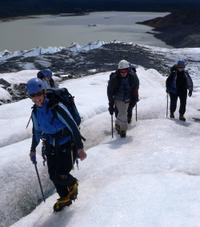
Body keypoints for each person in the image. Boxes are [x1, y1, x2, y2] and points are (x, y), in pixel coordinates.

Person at [26, 78, 87, 212]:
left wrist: (79, 147)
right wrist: (32, 150)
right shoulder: (35, 112)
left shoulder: (56, 107)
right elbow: (36, 131)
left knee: (61, 174)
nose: (37, 99)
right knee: (53, 175)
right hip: (50, 146)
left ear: (43, 92)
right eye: (33, 96)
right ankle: (65, 197)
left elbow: (73, 126)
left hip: (65, 143)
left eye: (38, 94)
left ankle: (72, 183)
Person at [107, 59, 139, 137]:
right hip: (118, 99)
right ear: (118, 71)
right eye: (121, 71)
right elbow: (110, 92)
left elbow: (135, 88)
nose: (123, 73)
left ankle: (118, 125)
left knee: (122, 113)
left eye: (125, 71)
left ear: (128, 70)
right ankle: (123, 131)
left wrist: (135, 98)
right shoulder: (114, 79)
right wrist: (111, 105)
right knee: (123, 114)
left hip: (128, 98)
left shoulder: (132, 77)